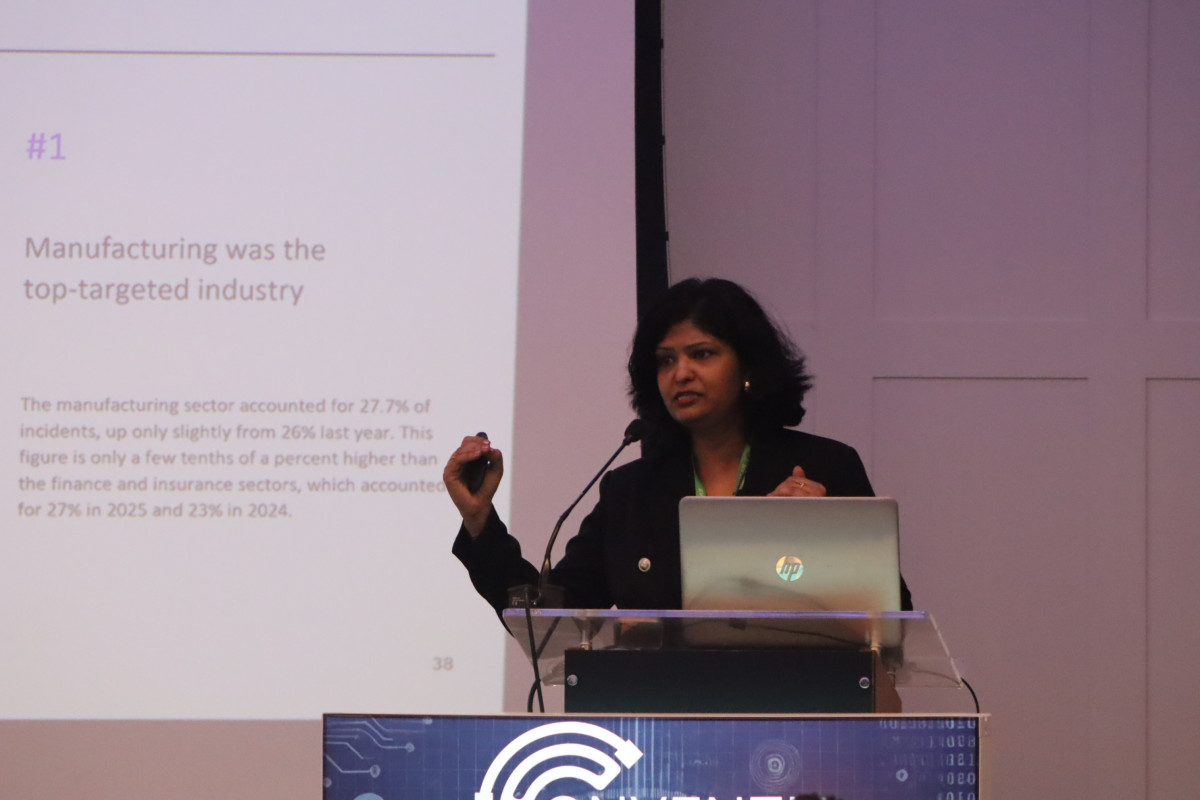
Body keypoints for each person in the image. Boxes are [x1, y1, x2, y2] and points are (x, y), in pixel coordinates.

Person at [445, 277, 912, 614]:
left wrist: (827, 539)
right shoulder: (631, 491)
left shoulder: (823, 467)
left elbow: (894, 612)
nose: (681, 373)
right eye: (666, 360)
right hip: (666, 714)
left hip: (798, 710)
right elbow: (551, 619)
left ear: (748, 366)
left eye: (702, 354)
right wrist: (481, 522)